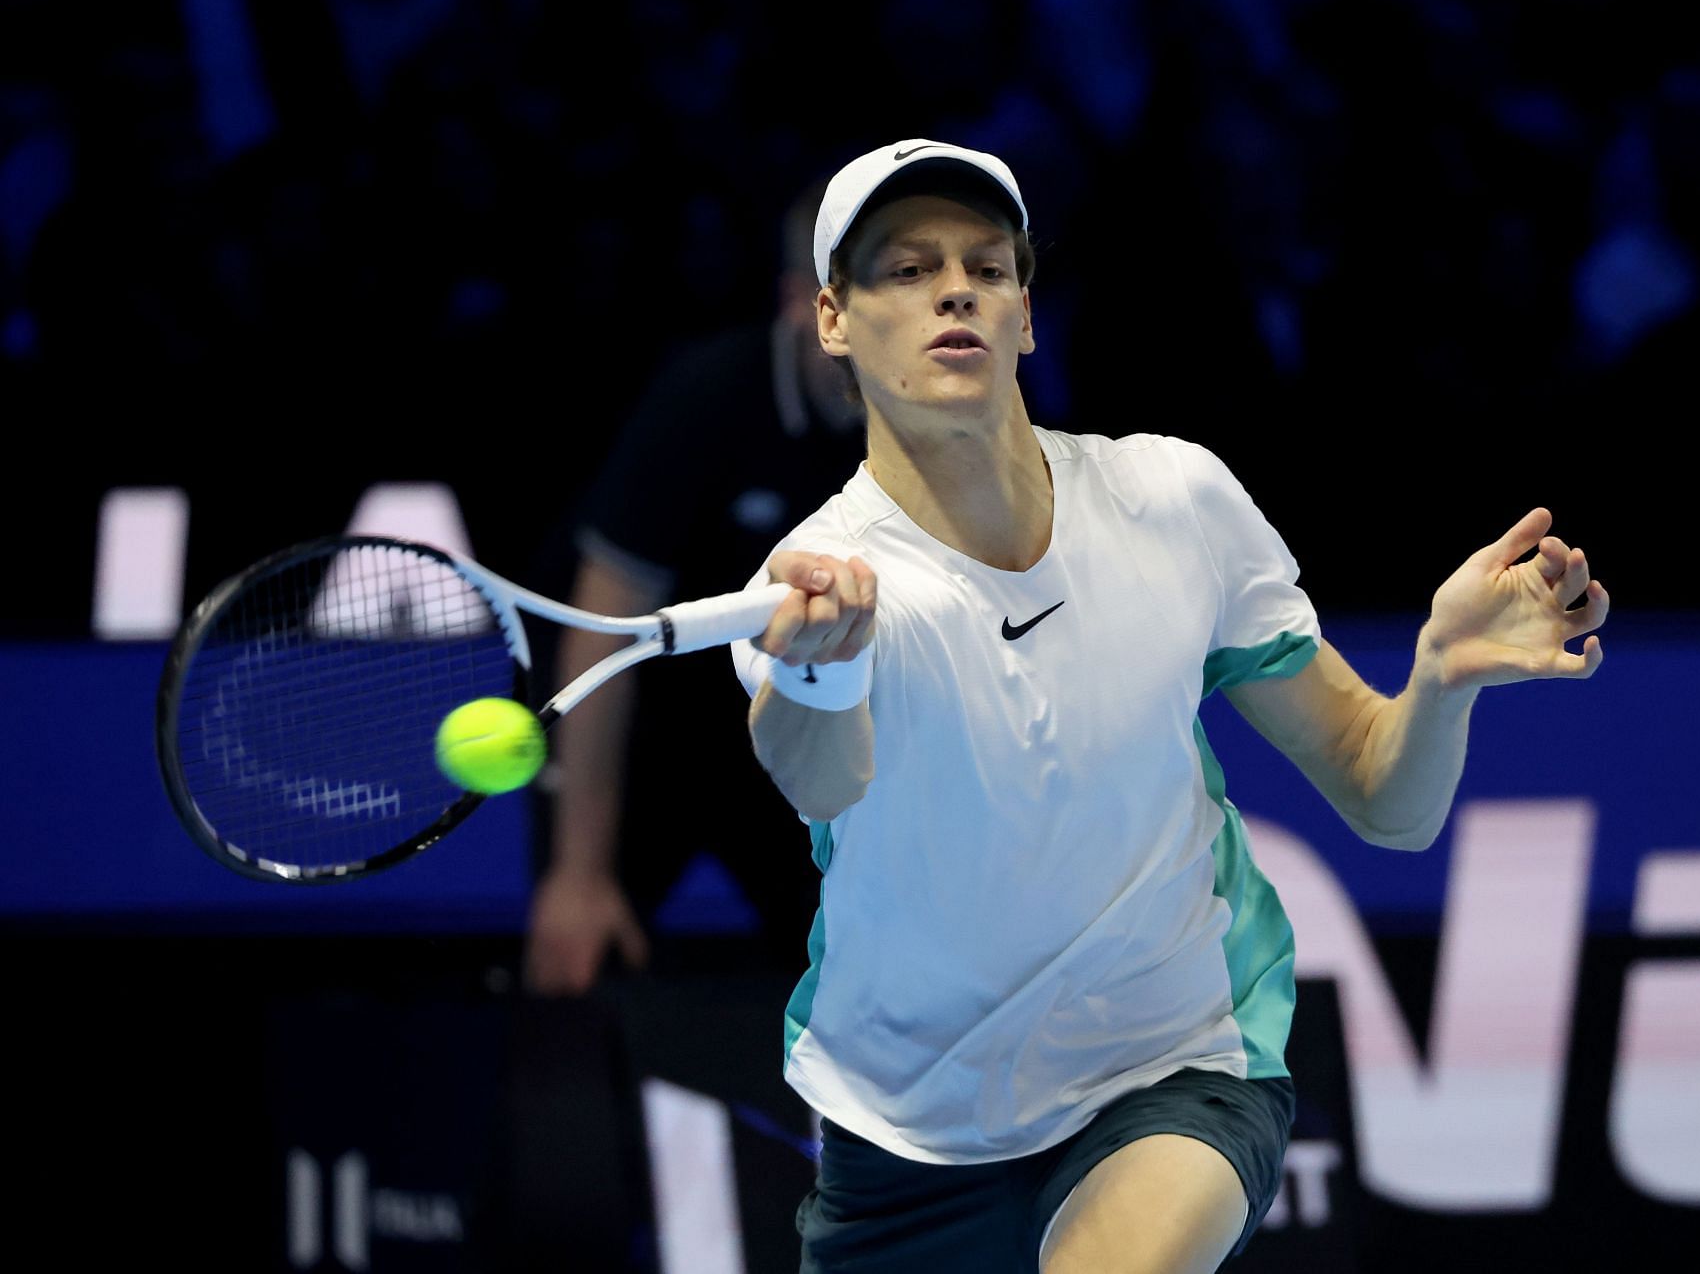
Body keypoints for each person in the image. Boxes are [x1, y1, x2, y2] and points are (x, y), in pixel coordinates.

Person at [732, 140, 1609, 1274]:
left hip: (1171, 1063)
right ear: (833, 321)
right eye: (905, 269)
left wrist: (1437, 681)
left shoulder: (1170, 498)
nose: (955, 287)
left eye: (987, 267)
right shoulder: (818, 581)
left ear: (1026, 317)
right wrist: (816, 664)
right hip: (906, 1133)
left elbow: (1386, 796)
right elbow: (818, 776)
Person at [524, 183, 867, 993]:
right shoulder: (705, 399)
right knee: (578, 957)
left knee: (869, 978)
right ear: (803, 304)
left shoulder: (942, 421)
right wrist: (578, 871)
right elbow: (603, 628)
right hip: (646, 725)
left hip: (795, 730)